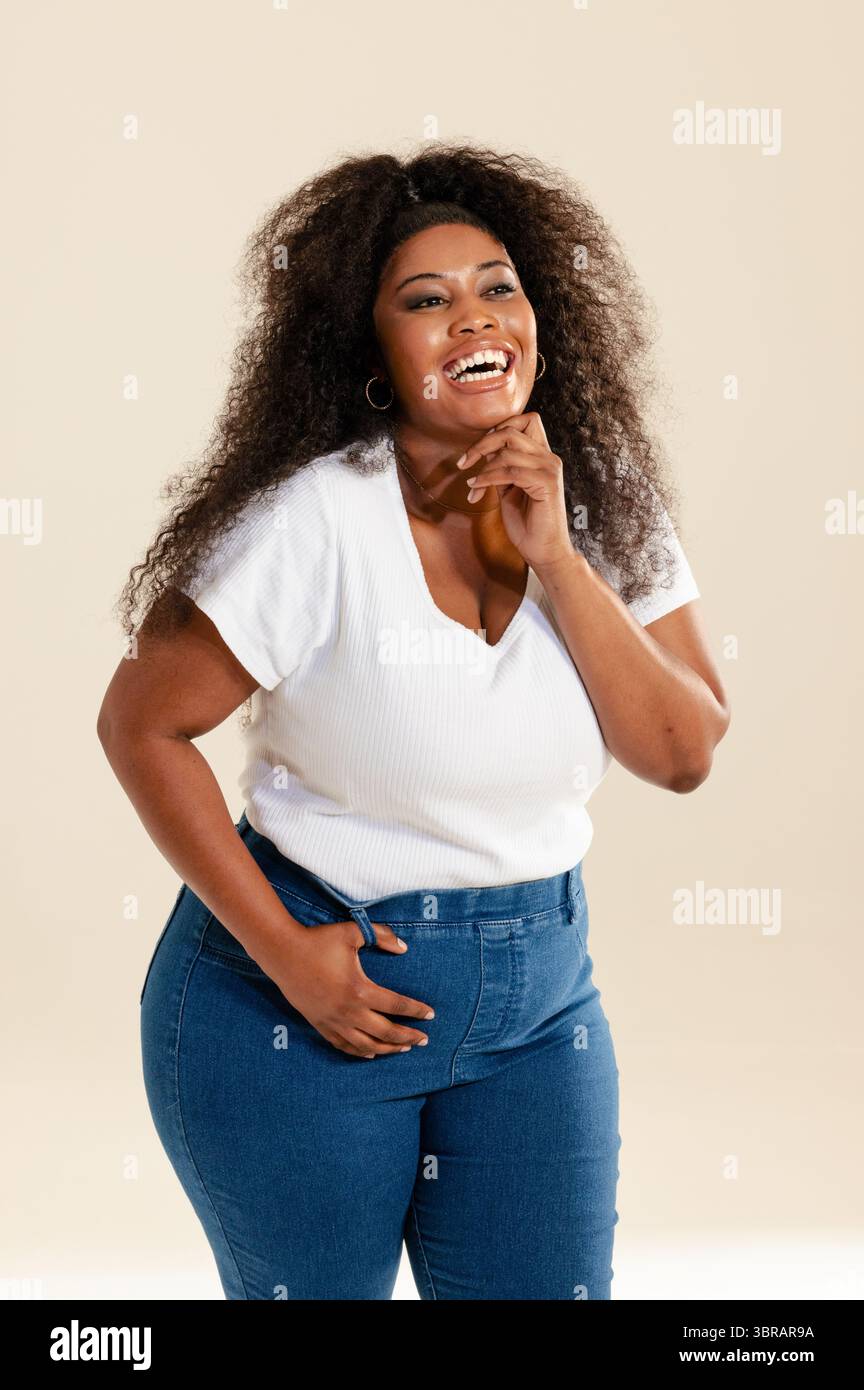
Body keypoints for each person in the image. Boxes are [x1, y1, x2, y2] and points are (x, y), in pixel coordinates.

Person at [97, 142, 730, 1300]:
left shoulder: (606, 496)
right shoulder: (313, 520)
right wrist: (289, 959)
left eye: (498, 286)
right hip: (299, 1005)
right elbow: (141, 725)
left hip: (540, 1016)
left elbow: (684, 752)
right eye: (424, 301)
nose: (473, 317)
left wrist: (558, 561)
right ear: (375, 353)